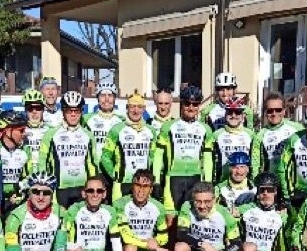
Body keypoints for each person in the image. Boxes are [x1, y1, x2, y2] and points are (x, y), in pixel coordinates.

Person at [152, 85, 214, 223]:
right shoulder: (168, 127)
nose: (191, 107)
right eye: (187, 103)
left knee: (193, 219)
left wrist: (208, 183)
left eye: (195, 104)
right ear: (181, 104)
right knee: (171, 220)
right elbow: (158, 156)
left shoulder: (205, 129)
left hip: (196, 178)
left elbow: (207, 158)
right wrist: (156, 181)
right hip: (173, 179)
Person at [114, 169, 170, 251]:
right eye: (138, 185)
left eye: (145, 186)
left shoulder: (158, 207)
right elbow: (126, 236)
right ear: (132, 186)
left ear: (151, 189)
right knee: (130, 248)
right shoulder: (120, 205)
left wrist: (156, 241)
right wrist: (155, 247)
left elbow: (164, 236)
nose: (141, 190)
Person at [38, 91, 97, 209]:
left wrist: (93, 186)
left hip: (82, 188)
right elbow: (42, 163)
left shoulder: (88, 135)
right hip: (59, 189)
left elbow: (93, 164)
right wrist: (45, 188)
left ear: (81, 111)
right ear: (63, 111)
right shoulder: (51, 134)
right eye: (70, 110)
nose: (73, 114)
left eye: (77, 110)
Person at [235, 172, 289, 251]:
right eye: (262, 190)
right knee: (250, 247)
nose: (265, 193)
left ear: (275, 192)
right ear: (257, 192)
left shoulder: (282, 215)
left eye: (269, 190)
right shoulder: (246, 209)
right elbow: (228, 215)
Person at [100, 91, 157, 202]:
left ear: (144, 109)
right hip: (122, 183)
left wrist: (150, 178)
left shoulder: (151, 131)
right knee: (120, 212)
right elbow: (105, 157)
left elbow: (152, 157)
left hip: (143, 183)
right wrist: (115, 175)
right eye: (132, 107)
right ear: (127, 108)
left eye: (139, 107)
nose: (136, 110)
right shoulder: (116, 129)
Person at [212, 97, 259, 183]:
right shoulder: (216, 135)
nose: (233, 115)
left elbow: (255, 160)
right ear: (225, 115)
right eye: (230, 112)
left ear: (242, 116)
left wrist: (254, 180)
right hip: (222, 182)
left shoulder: (251, 135)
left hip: (244, 183)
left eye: (237, 112)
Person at [0, 110, 32, 220]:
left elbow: (30, 176)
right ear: (7, 131)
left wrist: (19, 191)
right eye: (21, 130)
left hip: (17, 200)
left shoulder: (25, 150)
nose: (24, 134)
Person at [254, 92, 303, 174]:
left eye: (278, 110)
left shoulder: (297, 129)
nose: (274, 114)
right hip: (271, 179)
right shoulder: (260, 135)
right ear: (265, 113)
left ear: (284, 111)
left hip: (293, 179)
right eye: (270, 111)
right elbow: (255, 164)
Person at [83, 82, 124, 164]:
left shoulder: (122, 121)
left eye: (110, 95)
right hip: (93, 168)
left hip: (113, 168)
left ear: (114, 99)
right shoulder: (86, 119)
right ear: (97, 99)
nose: (106, 99)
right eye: (102, 95)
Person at [214, 151, 257, 217]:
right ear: (229, 169)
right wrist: (226, 211)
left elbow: (262, 204)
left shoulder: (255, 187)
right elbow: (210, 205)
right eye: (235, 167)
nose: (238, 171)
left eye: (242, 167)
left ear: (248, 169)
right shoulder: (219, 188)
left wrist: (240, 210)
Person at [23, 89, 49, 167]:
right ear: (25, 110)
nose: (34, 112)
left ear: (43, 110)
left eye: (38, 108)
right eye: (30, 108)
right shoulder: (19, 130)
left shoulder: (50, 130)